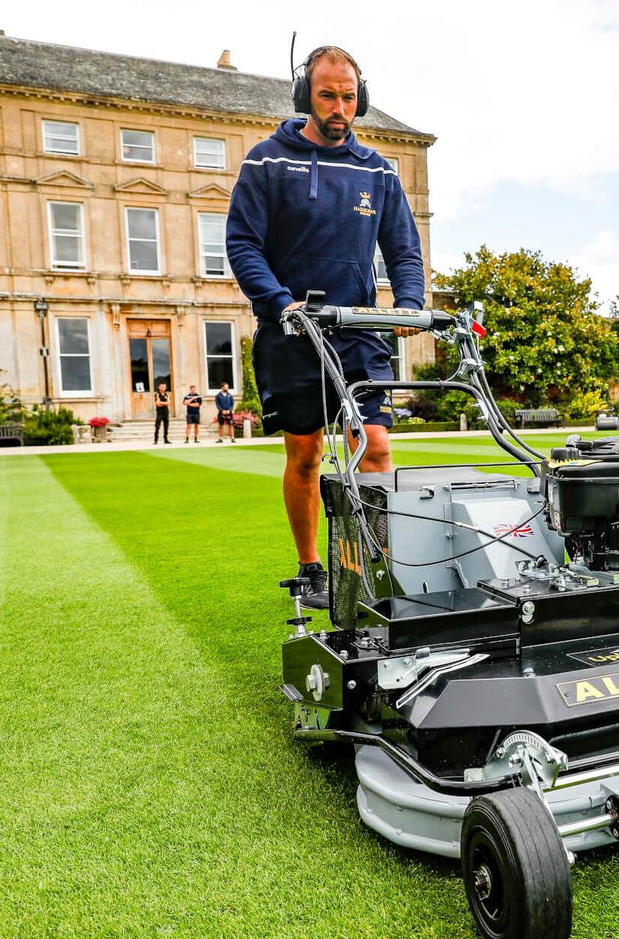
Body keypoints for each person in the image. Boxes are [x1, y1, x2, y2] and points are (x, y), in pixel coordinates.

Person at [227, 43, 425, 609]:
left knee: (378, 446)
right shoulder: (267, 161)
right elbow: (242, 244)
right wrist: (277, 302)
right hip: (293, 327)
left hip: (358, 326)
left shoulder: (378, 171)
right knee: (307, 454)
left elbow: (403, 251)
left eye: (348, 96)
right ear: (304, 96)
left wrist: (407, 303)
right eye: (328, 95)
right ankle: (312, 565)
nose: (340, 107)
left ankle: (372, 562)